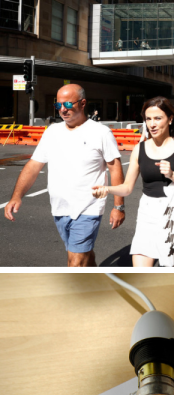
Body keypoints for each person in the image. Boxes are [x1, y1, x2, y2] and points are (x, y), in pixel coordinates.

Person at [4, 84, 124, 267]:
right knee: (84, 256)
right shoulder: (52, 132)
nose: (62, 110)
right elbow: (33, 166)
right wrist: (16, 196)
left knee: (75, 263)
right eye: (58, 105)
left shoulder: (100, 132)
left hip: (88, 207)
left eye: (68, 105)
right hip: (60, 208)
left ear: (83, 103)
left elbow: (115, 168)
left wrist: (119, 206)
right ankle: (97, 283)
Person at [91, 97, 174, 267]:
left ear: (170, 119)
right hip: (148, 213)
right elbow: (127, 188)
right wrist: (107, 189)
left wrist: (172, 174)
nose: (152, 124)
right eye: (148, 119)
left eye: (158, 118)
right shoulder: (139, 149)